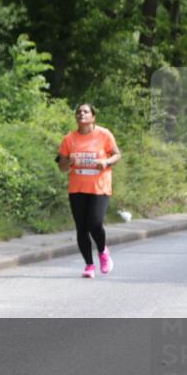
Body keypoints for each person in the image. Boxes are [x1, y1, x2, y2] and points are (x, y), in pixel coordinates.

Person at [57, 102, 121, 278]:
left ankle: (102, 251)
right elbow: (61, 167)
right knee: (81, 227)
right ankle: (89, 265)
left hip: (99, 187)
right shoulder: (69, 139)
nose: (82, 114)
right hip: (77, 188)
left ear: (93, 117)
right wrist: (68, 161)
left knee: (95, 223)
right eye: (79, 112)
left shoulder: (104, 134)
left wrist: (106, 162)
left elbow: (117, 155)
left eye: (86, 112)